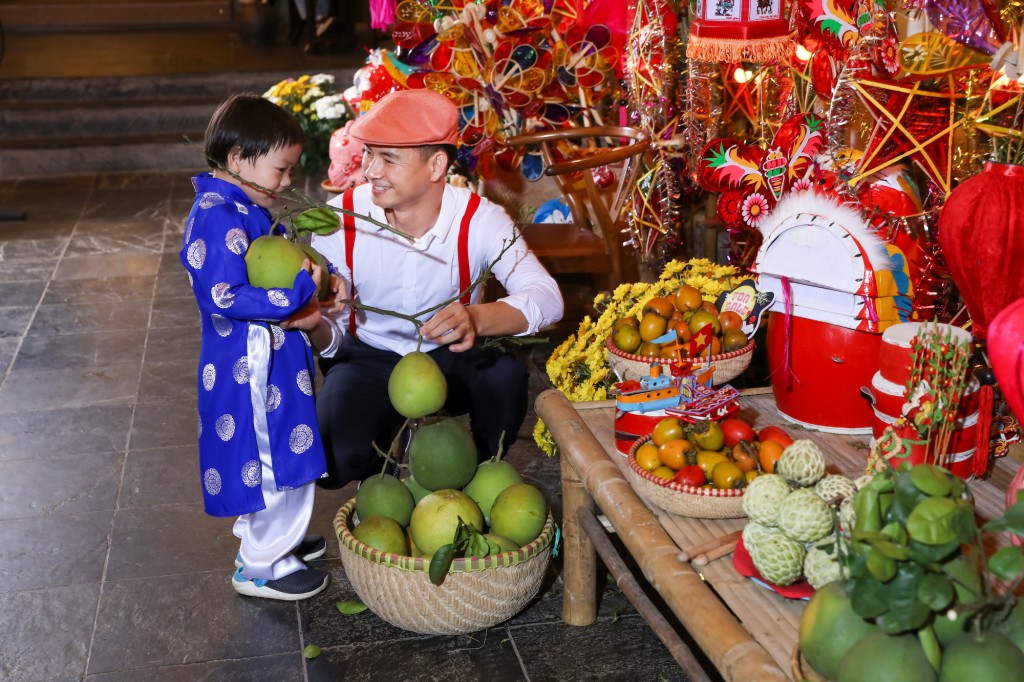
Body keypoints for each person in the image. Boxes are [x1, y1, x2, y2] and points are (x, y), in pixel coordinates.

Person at [308, 88, 564, 490]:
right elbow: (331, 334)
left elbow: (547, 297)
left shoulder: (478, 219)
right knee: (331, 462)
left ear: (436, 165)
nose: (371, 171)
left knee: (504, 374)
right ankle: (382, 473)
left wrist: (476, 318)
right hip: (370, 357)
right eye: (370, 154)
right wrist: (315, 318)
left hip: (451, 358)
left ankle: (466, 471)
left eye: (388, 158)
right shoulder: (342, 219)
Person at [180, 93, 337, 601]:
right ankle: (261, 565)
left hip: (270, 359)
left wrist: (320, 277)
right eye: (281, 170)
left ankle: (272, 540)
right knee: (268, 459)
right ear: (238, 160)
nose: (288, 181)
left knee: (279, 455)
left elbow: (280, 259)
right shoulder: (215, 216)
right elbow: (222, 295)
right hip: (252, 368)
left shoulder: (241, 208)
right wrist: (298, 291)